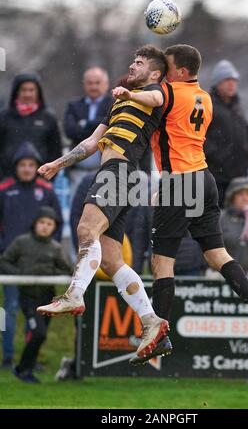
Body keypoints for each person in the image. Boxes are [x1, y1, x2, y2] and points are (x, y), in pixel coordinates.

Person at [127, 45, 248, 364]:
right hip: (204, 178)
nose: (164, 71)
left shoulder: (169, 91)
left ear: (178, 71)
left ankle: (158, 336)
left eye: (168, 66)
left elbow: (153, 98)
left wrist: (129, 94)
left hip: (178, 181)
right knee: (217, 253)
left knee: (162, 262)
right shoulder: (205, 97)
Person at [36, 45, 169, 361]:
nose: (132, 65)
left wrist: (129, 94)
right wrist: (58, 163)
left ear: (154, 72)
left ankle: (74, 295)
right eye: (132, 61)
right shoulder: (120, 102)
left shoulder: (154, 93)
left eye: (138, 62)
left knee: (86, 229)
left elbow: (156, 99)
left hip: (120, 171)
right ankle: (152, 321)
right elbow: (92, 142)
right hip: (117, 173)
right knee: (111, 260)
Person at [0, 142, 62, 369]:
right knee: (9, 309)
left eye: (31, 164)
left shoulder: (47, 191)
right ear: (16, 167)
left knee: (35, 312)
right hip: (11, 264)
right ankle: (7, 358)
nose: (26, 169)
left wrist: (45, 251)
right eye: (23, 165)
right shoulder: (4, 190)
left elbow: (57, 222)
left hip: (38, 266)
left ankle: (31, 360)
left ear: (37, 166)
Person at [0, 207, 72, 383]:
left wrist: (51, 272)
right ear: (35, 224)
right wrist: (20, 273)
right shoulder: (21, 242)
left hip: (48, 298)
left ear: (54, 227)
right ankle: (22, 369)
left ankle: (26, 370)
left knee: (40, 334)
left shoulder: (56, 248)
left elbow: (66, 269)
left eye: (49, 224)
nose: (45, 227)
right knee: (38, 333)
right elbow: (4, 261)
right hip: (28, 298)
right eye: (42, 222)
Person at [204, 60, 248, 207]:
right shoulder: (207, 104)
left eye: (234, 80)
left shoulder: (238, 107)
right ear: (217, 83)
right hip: (216, 177)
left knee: (236, 221)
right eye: (227, 80)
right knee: (216, 220)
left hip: (238, 178)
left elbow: (247, 135)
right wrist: (216, 156)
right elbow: (199, 136)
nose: (231, 84)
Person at [0, 73, 62, 180]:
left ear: (38, 92)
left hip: (40, 180)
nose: (28, 94)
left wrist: (49, 178)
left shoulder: (48, 118)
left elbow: (55, 150)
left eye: (31, 90)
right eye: (23, 90)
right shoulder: (4, 116)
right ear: (16, 91)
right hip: (7, 179)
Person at [63, 67, 113, 197]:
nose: (94, 87)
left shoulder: (114, 104)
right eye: (90, 83)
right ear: (84, 84)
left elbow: (111, 128)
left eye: (97, 83)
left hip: (103, 169)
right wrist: (99, 125)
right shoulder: (74, 105)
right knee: (76, 206)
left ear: (106, 84)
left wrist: (85, 124)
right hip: (77, 170)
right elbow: (70, 131)